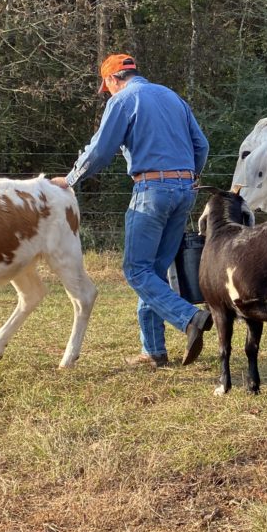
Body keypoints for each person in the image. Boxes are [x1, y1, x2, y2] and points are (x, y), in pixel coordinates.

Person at [52, 53, 212, 368]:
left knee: (135, 270)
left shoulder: (124, 99)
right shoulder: (172, 97)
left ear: (113, 79)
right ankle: (153, 351)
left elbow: (100, 150)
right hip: (184, 191)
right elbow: (202, 145)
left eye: (106, 87)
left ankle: (189, 317)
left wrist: (70, 179)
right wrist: (189, 175)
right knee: (154, 271)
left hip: (152, 190)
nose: (107, 93)